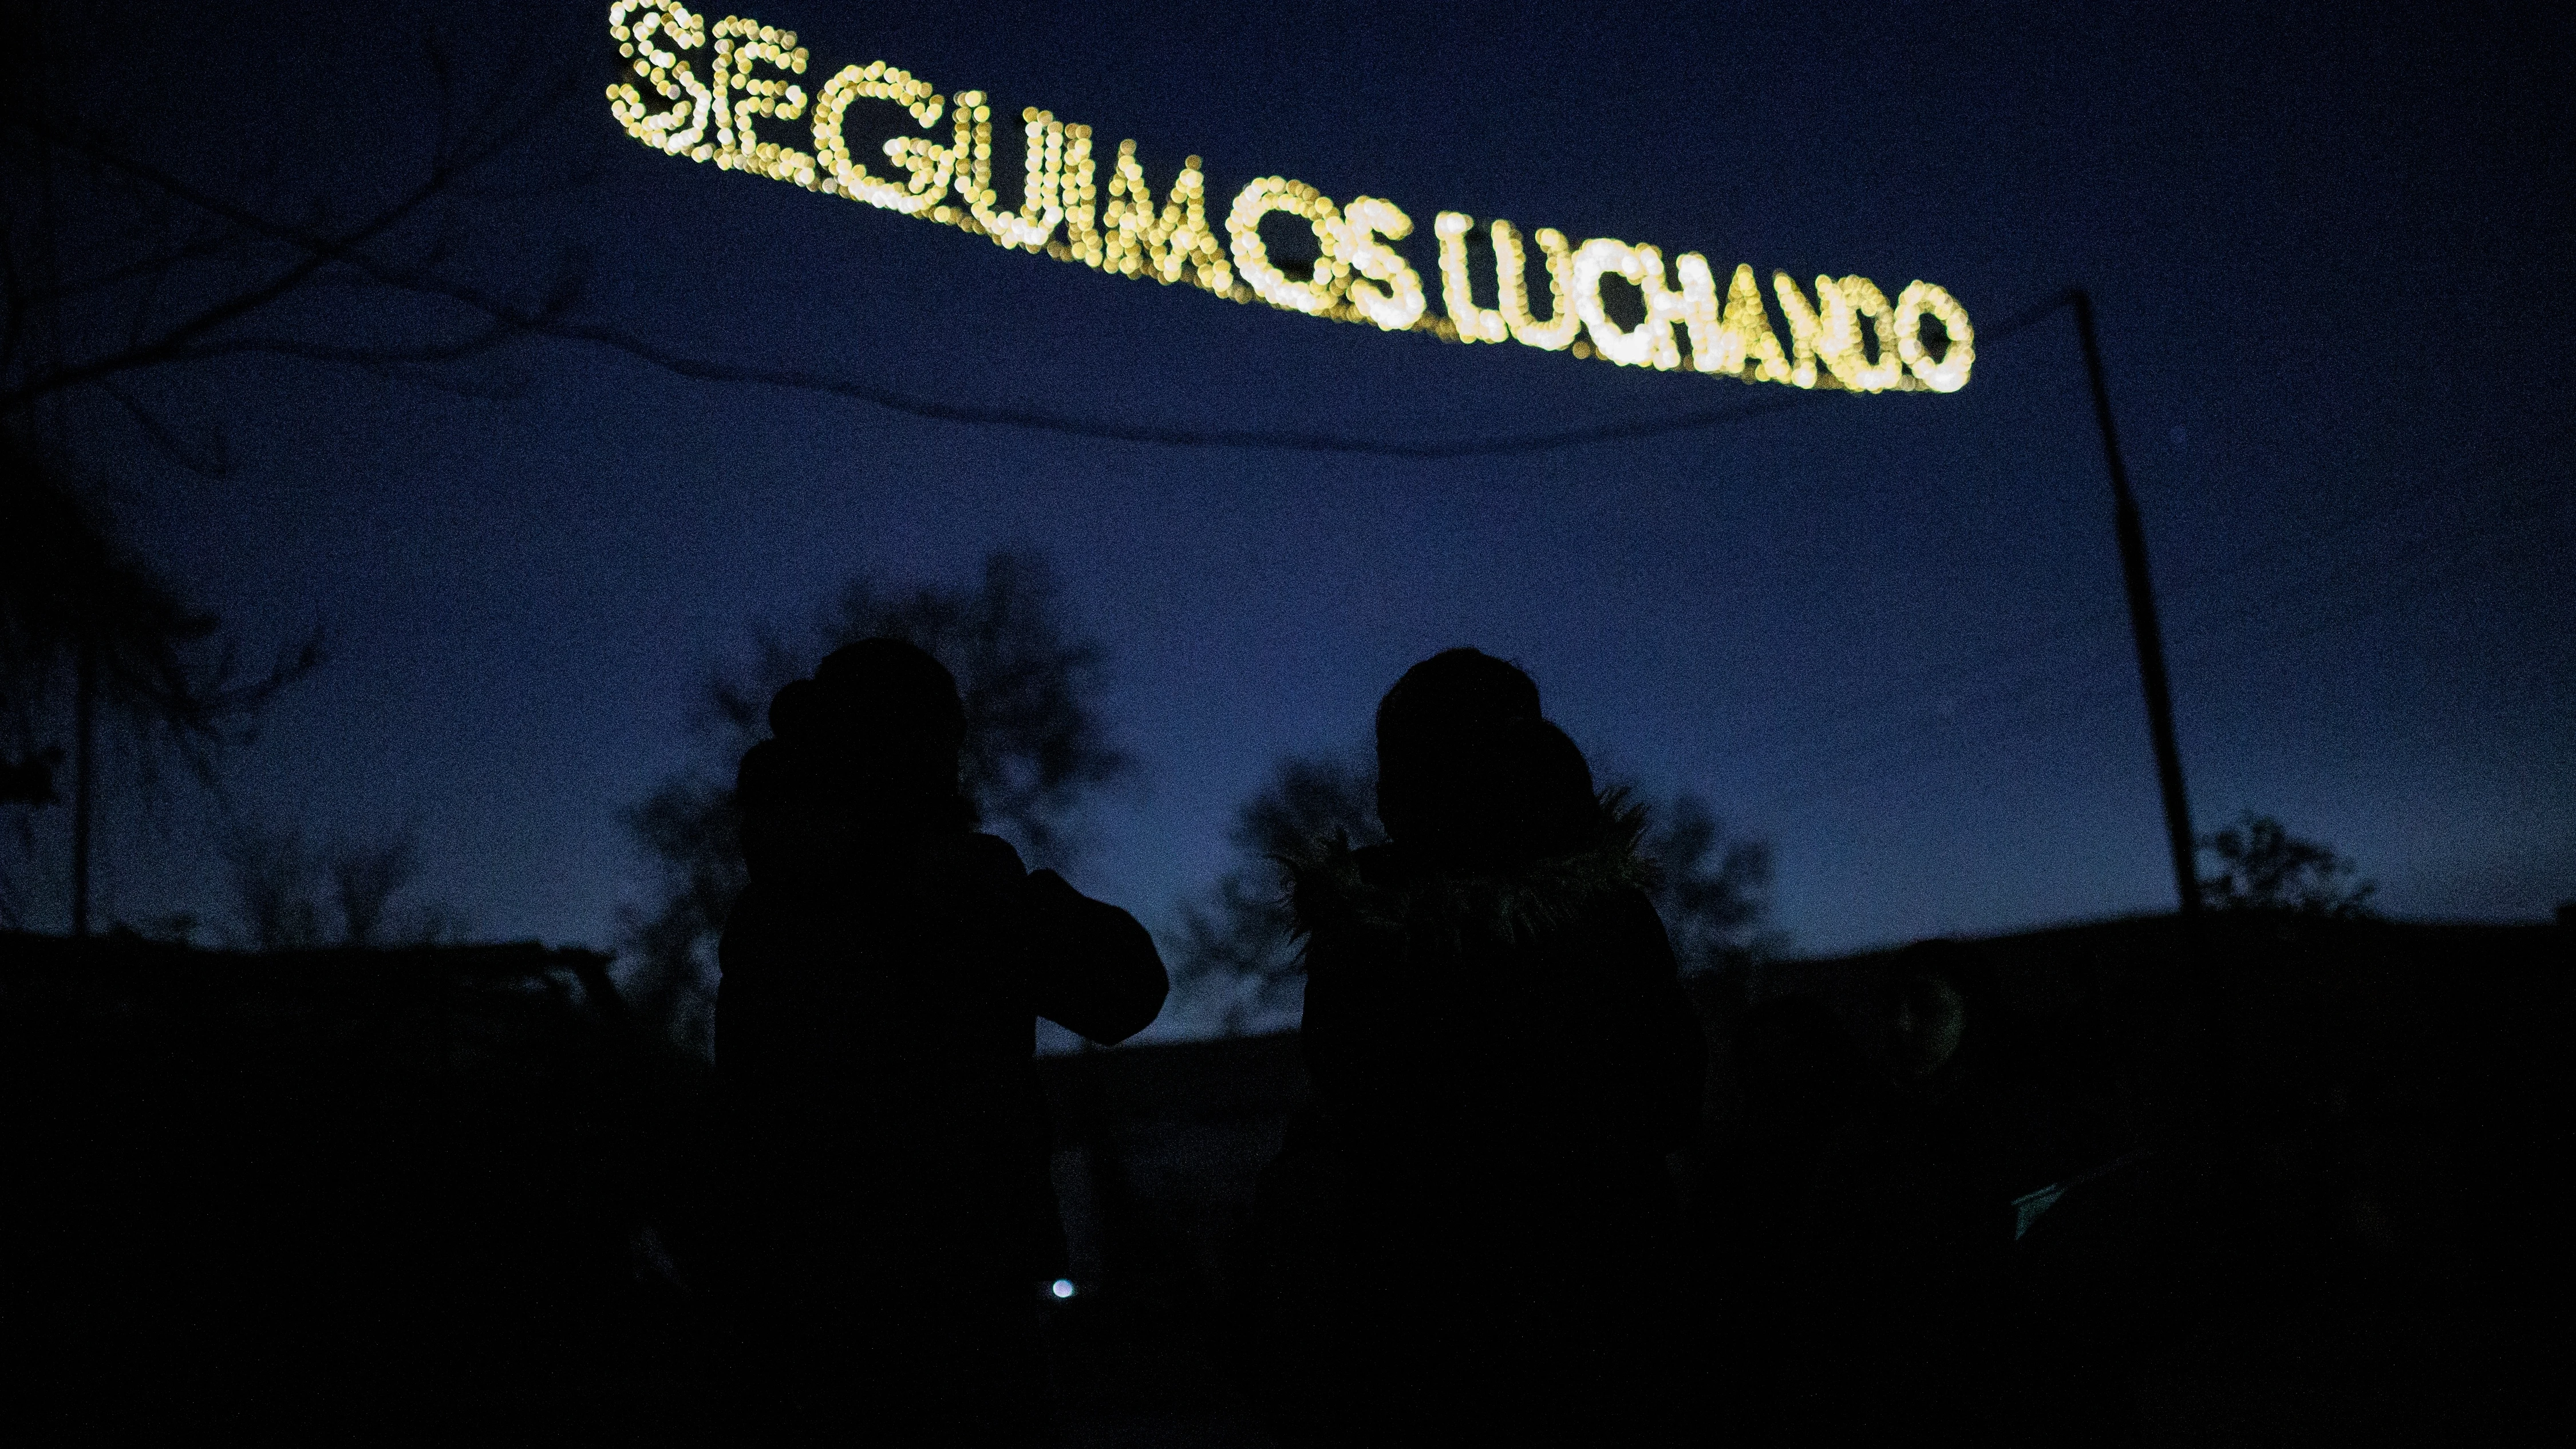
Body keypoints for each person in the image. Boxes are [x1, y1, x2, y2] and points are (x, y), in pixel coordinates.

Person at [1247, 647, 1708, 1448]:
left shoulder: (1374, 932)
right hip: (1570, 1311)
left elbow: (1362, 1105)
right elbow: (1668, 1093)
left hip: (1455, 1320)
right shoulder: (1591, 917)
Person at [712, 638, 1167, 1447]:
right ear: (918, 748)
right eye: (944, 742)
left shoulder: (768, 912)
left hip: (807, 1298)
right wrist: (1022, 895)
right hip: (962, 1292)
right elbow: (1126, 988)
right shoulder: (958, 883)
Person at [1800, 938, 2139, 1448]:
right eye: (1891, 1007)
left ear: (1973, 1012)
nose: (1902, 1024)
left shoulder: (2035, 1130)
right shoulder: (1863, 1137)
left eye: (1927, 1006)